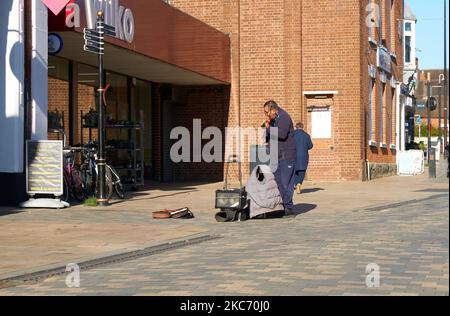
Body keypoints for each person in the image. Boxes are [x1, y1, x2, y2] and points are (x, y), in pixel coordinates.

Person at [263, 100, 297, 216]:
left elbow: (282, 134)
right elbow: (271, 136)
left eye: (267, 112)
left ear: (273, 110)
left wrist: (268, 128)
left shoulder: (284, 117)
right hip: (275, 155)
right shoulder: (273, 120)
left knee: (285, 182)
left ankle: (288, 207)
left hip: (286, 155)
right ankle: (282, 204)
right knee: (277, 182)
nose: (266, 115)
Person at [294, 122, 313, 194]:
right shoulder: (306, 135)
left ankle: (296, 184)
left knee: (294, 171)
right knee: (302, 171)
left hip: (294, 155)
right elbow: (310, 146)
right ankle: (299, 184)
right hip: (304, 156)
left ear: (296, 127)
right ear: (302, 127)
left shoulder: (292, 135)